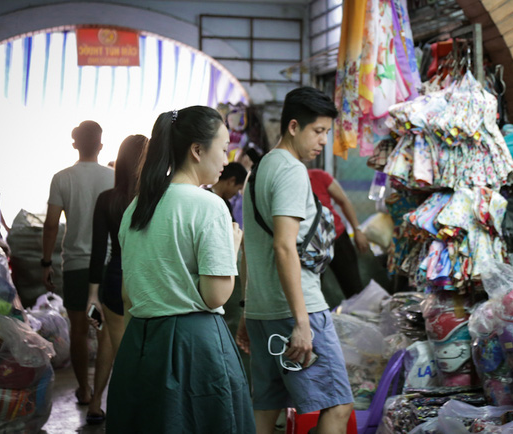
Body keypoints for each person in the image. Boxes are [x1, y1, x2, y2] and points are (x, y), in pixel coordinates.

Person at [106, 106, 254, 433]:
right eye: (223, 147)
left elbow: (128, 294)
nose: (226, 158)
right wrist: (231, 250)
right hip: (194, 347)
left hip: (140, 343)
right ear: (197, 150)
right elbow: (216, 296)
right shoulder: (208, 205)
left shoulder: (137, 207)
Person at [237, 87, 353, 434]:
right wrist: (302, 323)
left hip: (262, 312)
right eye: (317, 131)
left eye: (326, 133)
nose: (322, 141)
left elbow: (248, 246)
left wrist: (247, 308)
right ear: (292, 126)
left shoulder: (257, 171)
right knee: (338, 405)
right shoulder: (290, 170)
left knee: (267, 407)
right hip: (296, 309)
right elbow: (284, 247)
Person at [41, 121, 114, 406]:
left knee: (79, 331)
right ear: (100, 145)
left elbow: (50, 226)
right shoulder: (114, 177)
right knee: (106, 330)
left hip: (74, 265)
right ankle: (99, 395)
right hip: (108, 264)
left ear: (75, 145)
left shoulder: (62, 178)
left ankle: (83, 389)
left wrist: (46, 262)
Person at [85, 134, 147, 424]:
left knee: (109, 342)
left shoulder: (107, 199)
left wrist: (93, 295)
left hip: (113, 276)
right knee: (129, 356)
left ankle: (96, 402)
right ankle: (128, 416)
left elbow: (99, 250)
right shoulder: (151, 199)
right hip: (143, 276)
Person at [308, 168, 369, 298]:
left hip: (337, 238)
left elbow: (344, 201)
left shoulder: (319, 176)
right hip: (310, 245)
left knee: (354, 288)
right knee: (312, 291)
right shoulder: (288, 185)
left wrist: (357, 230)